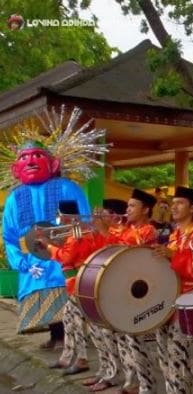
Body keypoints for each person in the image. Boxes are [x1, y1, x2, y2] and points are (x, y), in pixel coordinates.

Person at [2, 140, 91, 348]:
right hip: (33, 260)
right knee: (43, 296)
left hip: (65, 254)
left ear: (54, 164)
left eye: (37, 156)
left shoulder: (67, 187)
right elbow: (10, 236)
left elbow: (83, 222)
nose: (31, 161)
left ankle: (71, 338)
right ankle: (56, 336)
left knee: (67, 295)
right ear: (15, 169)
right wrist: (21, 263)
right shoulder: (14, 197)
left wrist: (74, 249)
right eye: (24, 158)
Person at [95, 188, 158, 394]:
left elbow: (131, 250)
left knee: (137, 342)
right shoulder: (127, 229)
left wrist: (105, 230)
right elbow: (110, 249)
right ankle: (131, 382)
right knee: (124, 340)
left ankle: (145, 385)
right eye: (128, 206)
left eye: (132, 206)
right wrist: (104, 230)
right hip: (124, 289)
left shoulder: (149, 230)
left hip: (142, 291)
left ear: (146, 210)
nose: (128, 209)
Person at [152, 186, 193, 394]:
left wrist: (173, 257)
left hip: (184, 303)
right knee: (164, 355)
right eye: (173, 202)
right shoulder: (175, 235)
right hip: (166, 301)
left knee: (177, 356)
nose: (174, 207)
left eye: (180, 203)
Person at [37, 200, 103, 376]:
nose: (58, 218)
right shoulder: (78, 231)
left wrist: (49, 246)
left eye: (59, 215)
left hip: (79, 283)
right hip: (77, 283)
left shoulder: (77, 233)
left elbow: (66, 257)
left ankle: (82, 360)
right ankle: (67, 357)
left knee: (80, 324)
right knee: (69, 320)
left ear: (65, 215)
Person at [84, 198, 128, 392]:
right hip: (99, 288)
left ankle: (119, 375)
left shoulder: (127, 233)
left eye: (104, 213)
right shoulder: (107, 232)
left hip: (119, 291)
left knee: (117, 339)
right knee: (99, 335)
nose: (100, 217)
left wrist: (102, 231)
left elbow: (117, 253)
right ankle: (105, 370)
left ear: (115, 216)